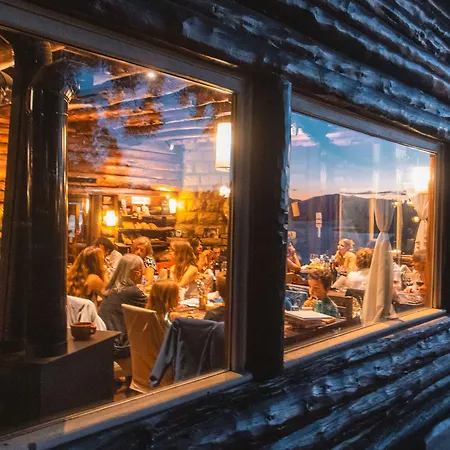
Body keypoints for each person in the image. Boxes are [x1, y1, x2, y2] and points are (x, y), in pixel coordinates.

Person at [99, 254, 147, 358]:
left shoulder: (112, 288)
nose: (143, 274)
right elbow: (153, 313)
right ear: (136, 272)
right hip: (119, 347)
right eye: (142, 270)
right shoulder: (132, 292)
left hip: (104, 341)